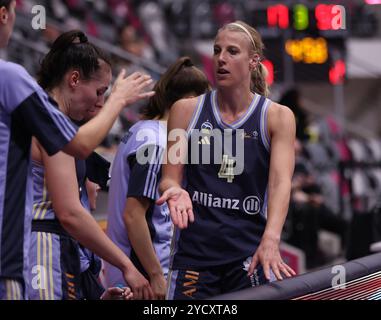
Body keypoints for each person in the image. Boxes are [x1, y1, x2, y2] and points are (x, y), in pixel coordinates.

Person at [0, 0, 154, 299]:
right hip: (39, 250)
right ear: (73, 79)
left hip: (60, 251)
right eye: (99, 92)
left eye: (105, 95)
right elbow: (70, 212)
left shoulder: (49, 118)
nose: (100, 101)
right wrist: (127, 266)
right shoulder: (36, 109)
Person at [157, 21, 296, 299]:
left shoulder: (277, 117)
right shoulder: (185, 111)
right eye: (217, 50)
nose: (221, 58)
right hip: (194, 255)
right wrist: (173, 190)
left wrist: (271, 239)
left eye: (232, 51)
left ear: (253, 61)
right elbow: (169, 178)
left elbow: (280, 182)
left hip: (248, 255)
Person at [105, 56, 210, 300]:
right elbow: (133, 216)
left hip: (134, 274)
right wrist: (155, 276)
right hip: (141, 281)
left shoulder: (143, 131)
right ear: (187, 101)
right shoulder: (155, 144)